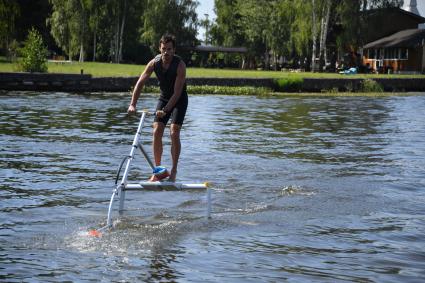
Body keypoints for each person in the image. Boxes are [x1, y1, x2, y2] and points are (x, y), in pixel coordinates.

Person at [127, 34, 188, 182]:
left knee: (174, 132)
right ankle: (159, 171)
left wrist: (166, 110)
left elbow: (177, 92)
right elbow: (140, 82)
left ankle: (173, 170)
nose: (166, 52)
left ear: (174, 50)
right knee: (156, 130)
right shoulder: (154, 63)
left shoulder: (180, 65)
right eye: (163, 49)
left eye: (169, 49)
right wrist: (133, 104)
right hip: (164, 97)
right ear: (159, 49)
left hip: (179, 100)